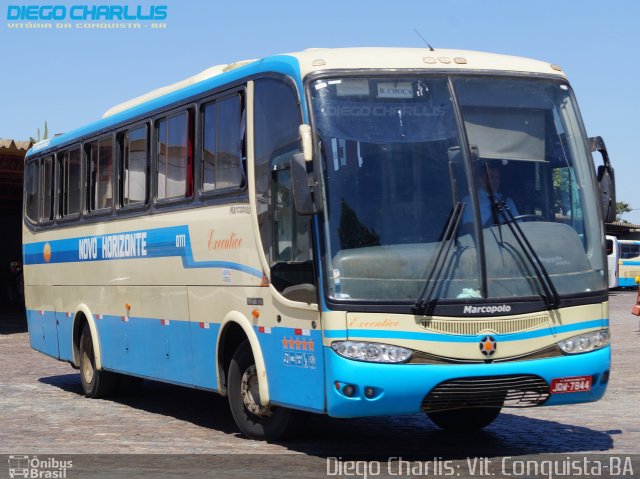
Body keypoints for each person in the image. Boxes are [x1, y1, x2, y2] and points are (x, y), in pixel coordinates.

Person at [462, 162, 519, 228]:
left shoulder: (508, 202)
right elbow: (470, 229)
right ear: (481, 180)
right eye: (491, 177)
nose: (495, 181)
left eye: (497, 177)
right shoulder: (470, 201)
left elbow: (520, 226)